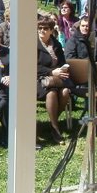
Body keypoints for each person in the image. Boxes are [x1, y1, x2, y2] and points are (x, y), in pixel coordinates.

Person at [37, 17, 70, 145]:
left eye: (45, 28)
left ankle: (52, 122)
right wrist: (51, 72)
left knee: (65, 92)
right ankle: (55, 129)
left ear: (51, 30)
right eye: (39, 28)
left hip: (56, 78)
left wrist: (63, 69)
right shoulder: (33, 44)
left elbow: (62, 62)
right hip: (38, 79)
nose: (42, 31)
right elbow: (33, 66)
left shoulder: (56, 44)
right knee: (51, 93)